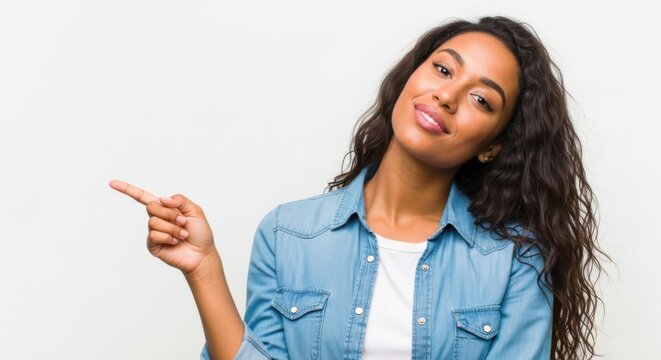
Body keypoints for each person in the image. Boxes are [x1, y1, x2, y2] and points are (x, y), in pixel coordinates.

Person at [110, 15, 611, 360]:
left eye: (481, 99)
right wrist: (204, 269)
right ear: (409, 77)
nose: (448, 95)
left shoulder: (515, 260)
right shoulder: (289, 233)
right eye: (442, 69)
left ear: (493, 147)